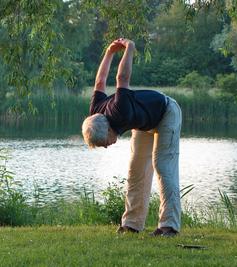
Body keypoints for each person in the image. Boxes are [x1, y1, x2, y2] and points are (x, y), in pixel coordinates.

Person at [82, 38, 182, 237]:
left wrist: (129, 48)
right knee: (136, 170)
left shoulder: (120, 111)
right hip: (143, 123)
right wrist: (109, 52)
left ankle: (169, 226)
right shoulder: (96, 112)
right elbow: (100, 81)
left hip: (166, 113)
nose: (107, 146)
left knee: (162, 165)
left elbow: (122, 78)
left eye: (104, 143)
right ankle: (131, 224)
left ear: (109, 129)